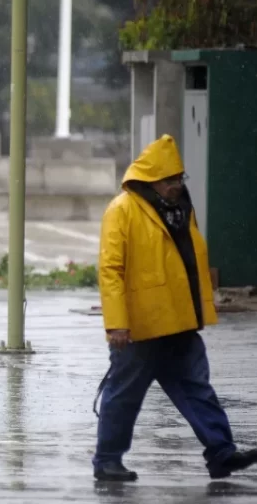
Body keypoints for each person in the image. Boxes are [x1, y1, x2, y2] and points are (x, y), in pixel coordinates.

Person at [94, 134, 257, 481]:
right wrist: (117, 324)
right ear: (151, 180)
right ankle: (107, 460)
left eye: (179, 178)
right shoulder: (122, 210)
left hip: (180, 323)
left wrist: (199, 310)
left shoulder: (181, 209)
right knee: (123, 396)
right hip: (140, 328)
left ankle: (222, 453)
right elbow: (111, 270)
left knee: (198, 389)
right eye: (170, 180)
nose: (176, 185)